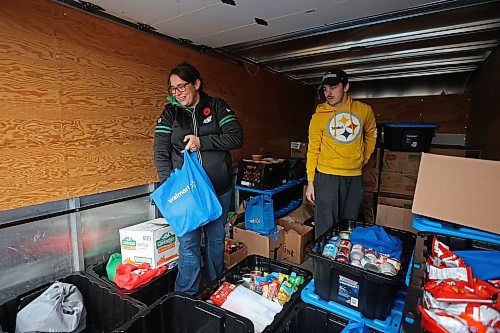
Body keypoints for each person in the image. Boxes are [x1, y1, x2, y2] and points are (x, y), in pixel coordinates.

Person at [154, 62, 243, 294]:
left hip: (218, 190)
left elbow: (236, 137)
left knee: (215, 242)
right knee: (189, 245)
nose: (177, 93)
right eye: (173, 89)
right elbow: (161, 151)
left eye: (182, 86)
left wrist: (203, 142)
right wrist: (169, 185)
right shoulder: (170, 112)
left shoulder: (216, 107)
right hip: (186, 195)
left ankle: (216, 287)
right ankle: (187, 295)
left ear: (197, 84)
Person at [305, 68, 376, 239]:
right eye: (325, 89)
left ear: (346, 87)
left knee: (348, 225)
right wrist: (310, 182)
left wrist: (365, 157)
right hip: (327, 177)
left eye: (333, 87)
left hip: (354, 177)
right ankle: (323, 264)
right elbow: (313, 149)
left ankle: (342, 262)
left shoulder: (363, 110)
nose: (328, 93)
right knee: (325, 226)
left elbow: (371, 132)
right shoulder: (318, 116)